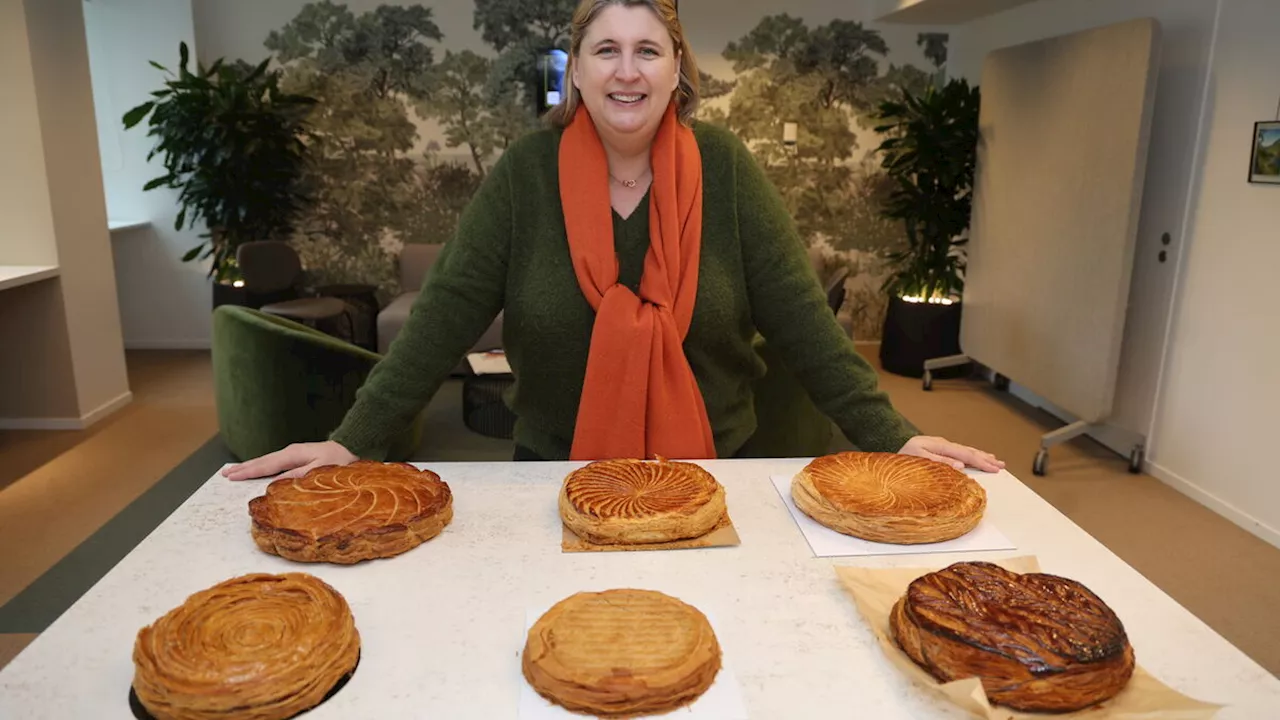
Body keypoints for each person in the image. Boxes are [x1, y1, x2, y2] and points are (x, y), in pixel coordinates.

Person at [224, 0, 1003, 482]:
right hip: (555, 471)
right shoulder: (529, 171)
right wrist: (352, 440)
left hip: (712, 469)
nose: (626, 71)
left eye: (647, 50)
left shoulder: (726, 169)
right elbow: (443, 316)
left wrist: (896, 438)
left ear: (676, 74)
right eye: (606, 49)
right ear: (577, 73)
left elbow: (806, 324)